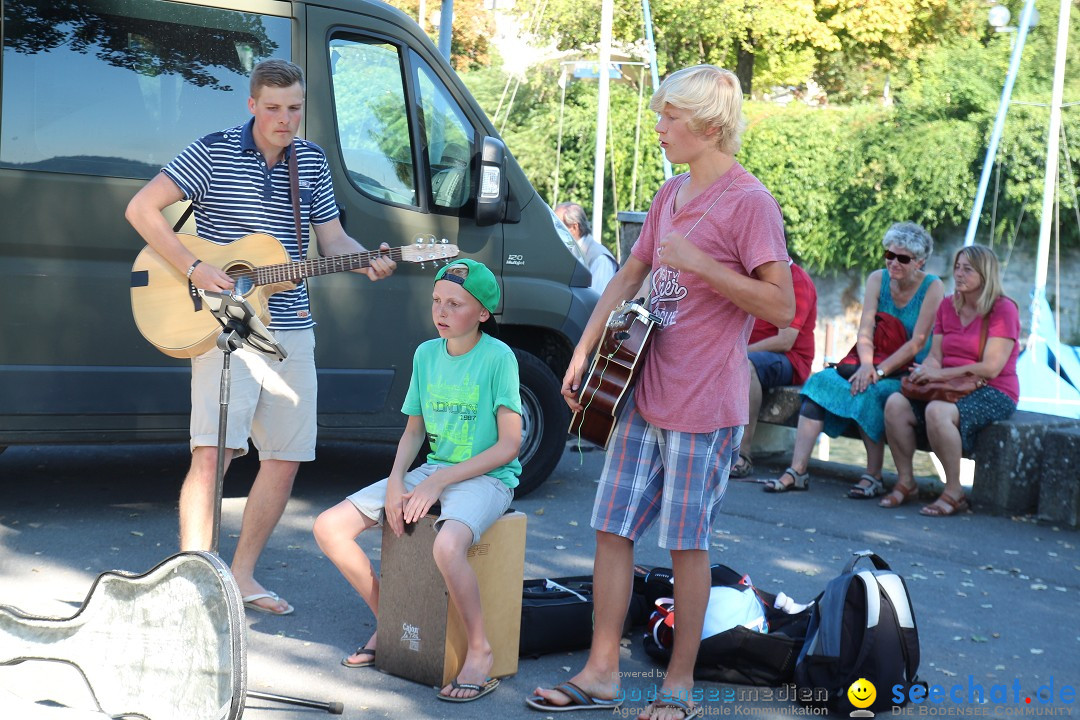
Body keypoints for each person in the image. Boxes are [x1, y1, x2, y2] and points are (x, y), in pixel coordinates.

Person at [528, 65, 794, 720]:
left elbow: (782, 305)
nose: (658, 127)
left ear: (706, 127)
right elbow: (628, 278)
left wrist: (703, 264)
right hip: (641, 392)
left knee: (686, 546)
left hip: (706, 405)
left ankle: (678, 691)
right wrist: (584, 350)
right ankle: (601, 673)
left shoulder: (750, 202)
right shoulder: (670, 193)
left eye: (669, 118)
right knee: (610, 530)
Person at [125, 59, 397, 615]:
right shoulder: (214, 150)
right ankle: (192, 582)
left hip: (293, 324)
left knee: (287, 455)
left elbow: (333, 237)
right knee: (214, 452)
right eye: (273, 108)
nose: (284, 118)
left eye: (294, 108)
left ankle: (241, 577)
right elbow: (141, 208)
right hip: (226, 323)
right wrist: (196, 266)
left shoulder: (311, 162)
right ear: (252, 105)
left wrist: (367, 259)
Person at [312, 259, 521, 702]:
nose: (441, 311)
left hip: (487, 476)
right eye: (436, 301)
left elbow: (508, 447)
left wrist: (440, 481)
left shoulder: (498, 358)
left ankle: (480, 652)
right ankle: (390, 622)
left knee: (445, 545)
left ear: (483, 313)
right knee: (328, 527)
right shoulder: (426, 354)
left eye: (455, 304)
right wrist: (395, 482)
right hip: (434, 469)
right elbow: (413, 432)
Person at [764, 222, 944, 498]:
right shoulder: (877, 279)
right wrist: (868, 365)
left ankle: (872, 475)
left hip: (905, 369)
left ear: (920, 262)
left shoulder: (932, 287)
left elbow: (917, 342)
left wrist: (878, 372)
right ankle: (797, 470)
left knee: (869, 391)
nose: (893, 263)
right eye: (889, 255)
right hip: (871, 361)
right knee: (818, 385)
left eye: (903, 258)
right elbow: (865, 328)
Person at [882, 244, 1019, 516]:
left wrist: (938, 374)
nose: (959, 274)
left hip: (992, 390)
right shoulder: (948, 305)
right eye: (957, 267)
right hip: (949, 385)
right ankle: (906, 481)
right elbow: (936, 355)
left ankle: (954, 491)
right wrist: (927, 370)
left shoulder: (1003, 309)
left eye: (967, 269)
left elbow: (991, 368)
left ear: (985, 273)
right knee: (895, 403)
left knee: (936, 411)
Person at [730, 259, 817, 478]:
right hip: (752, 352)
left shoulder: (798, 281)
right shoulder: (750, 276)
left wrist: (739, 351)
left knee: (746, 366)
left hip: (790, 360)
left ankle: (743, 455)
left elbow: (785, 341)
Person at [556, 202, 619, 294]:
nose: (553, 229)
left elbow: (597, 302)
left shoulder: (600, 259)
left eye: (557, 225)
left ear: (574, 227)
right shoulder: (565, 252)